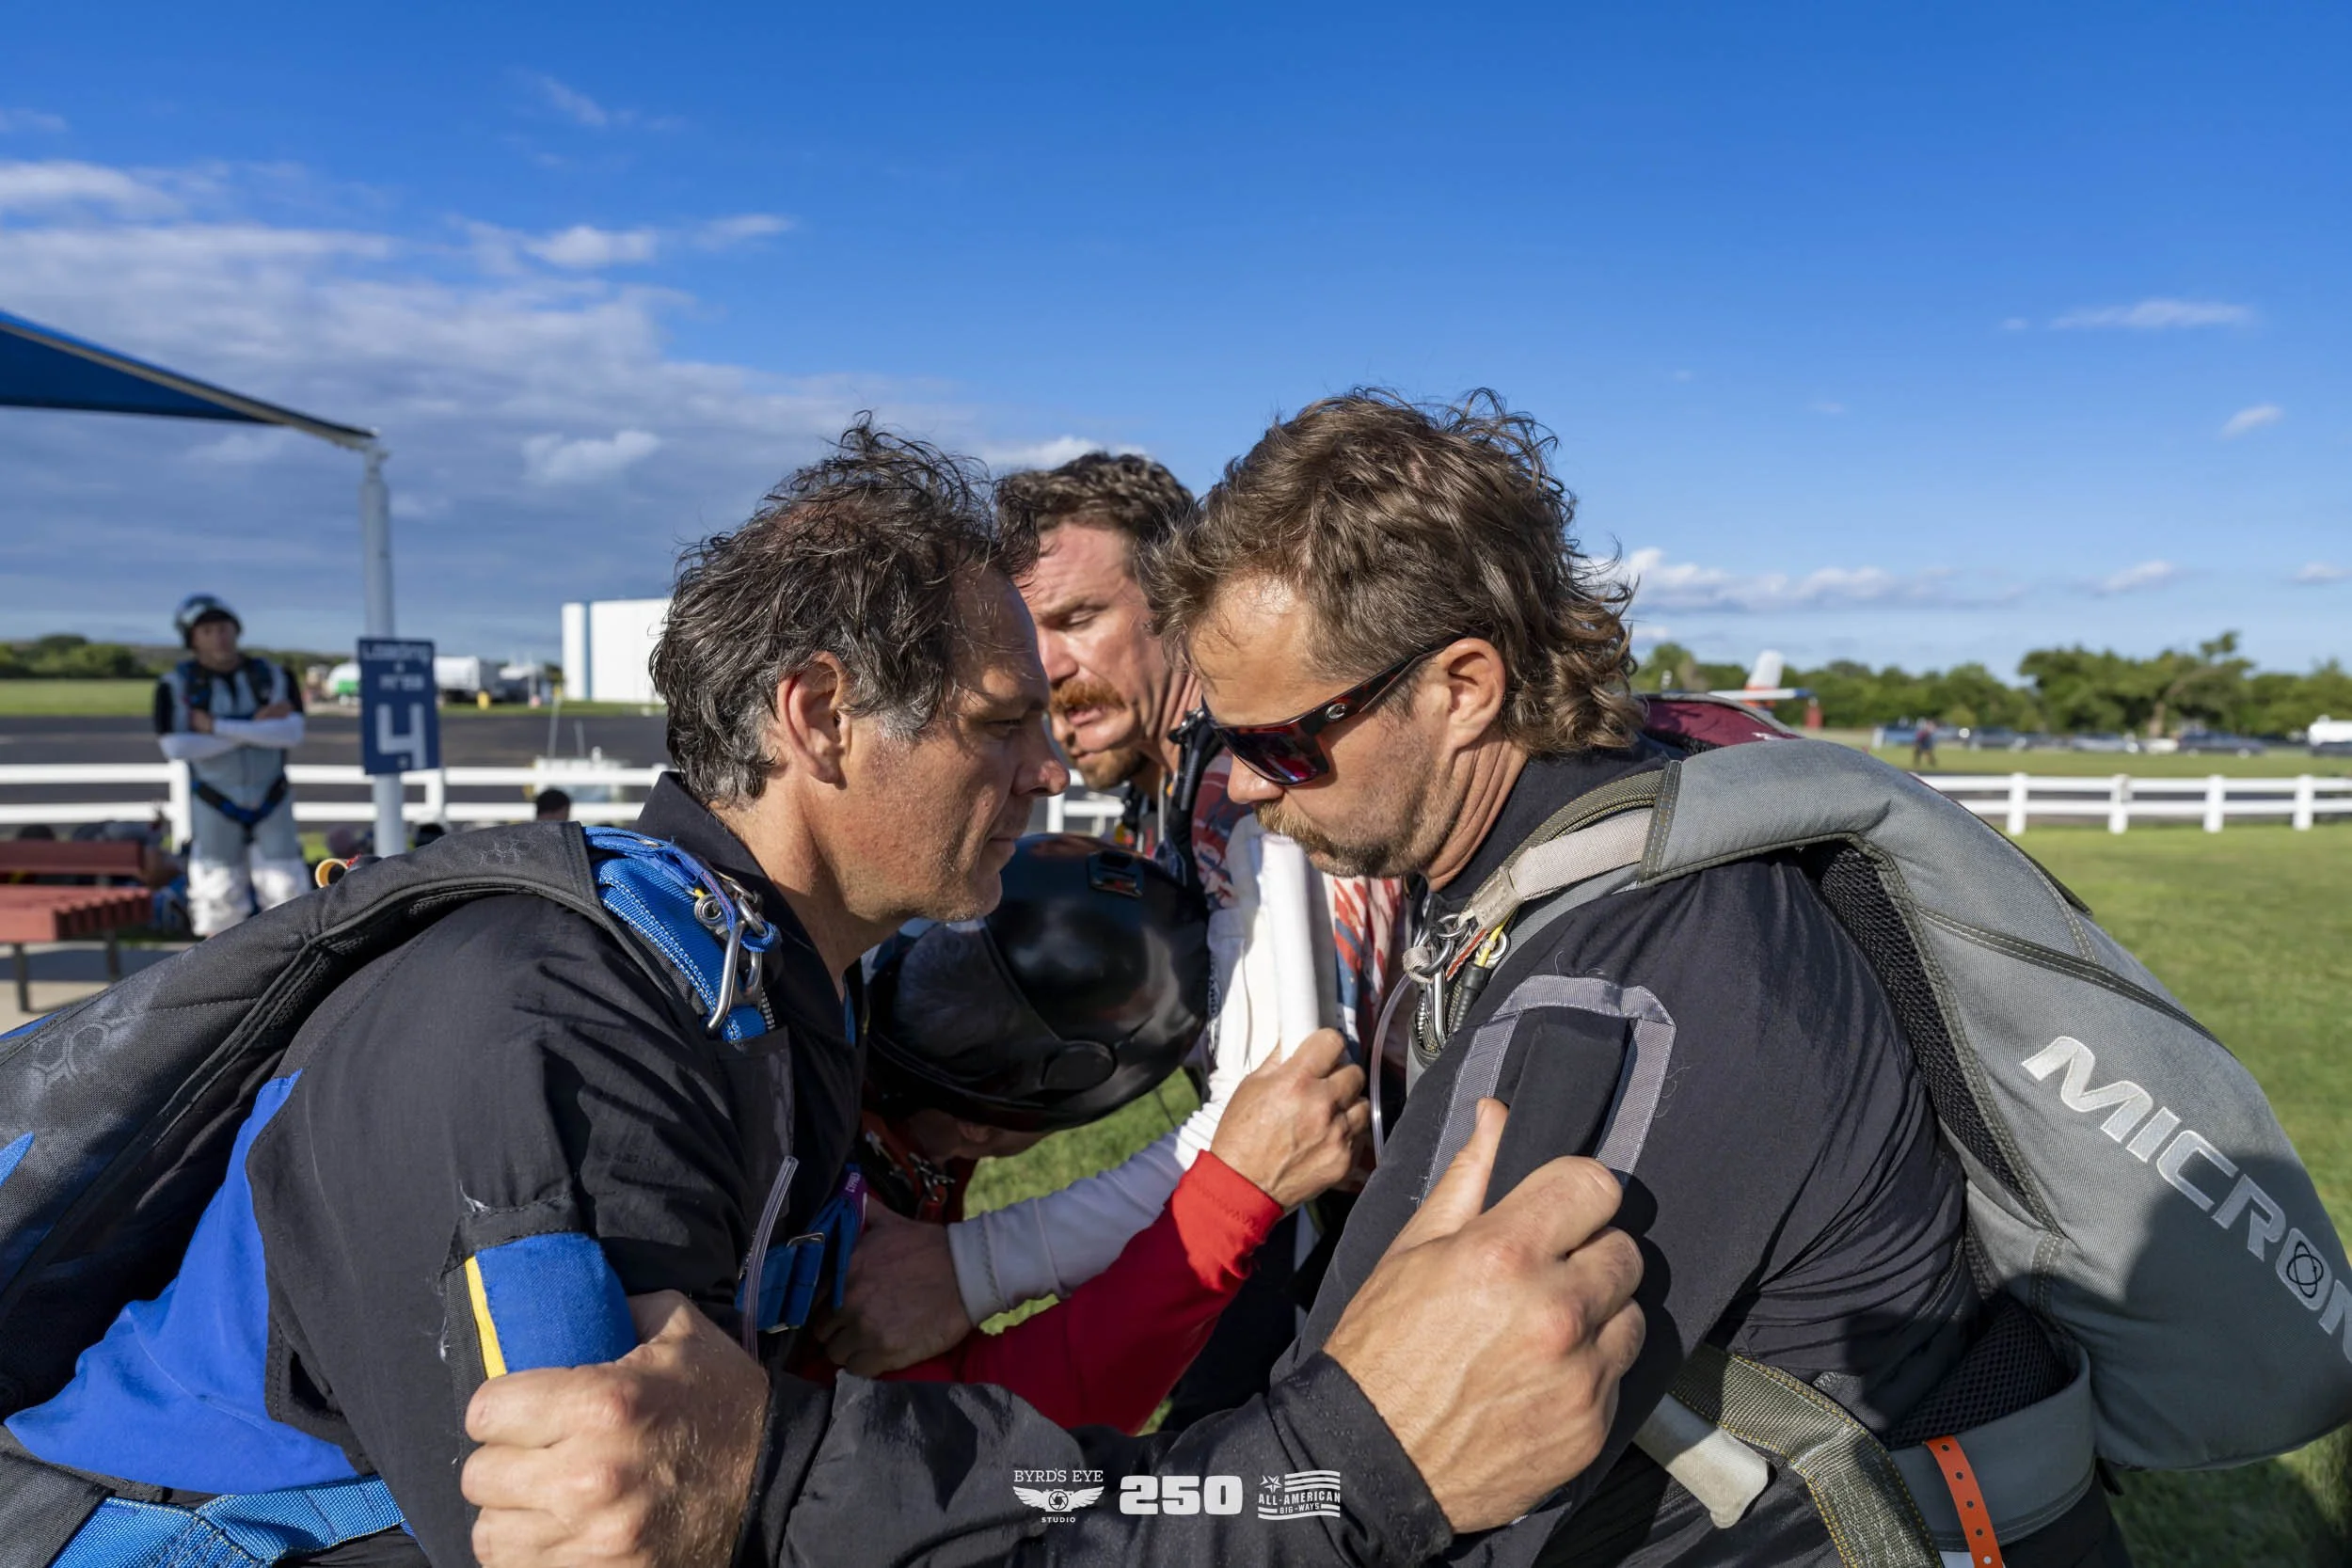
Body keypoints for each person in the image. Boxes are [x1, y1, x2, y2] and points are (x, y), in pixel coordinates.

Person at [9, 421, 1644, 1568]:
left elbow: (876, 1450)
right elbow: (700, 1523)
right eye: (1000, 721)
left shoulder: (767, 995)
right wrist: (1335, 1479)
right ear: (819, 716)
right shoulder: (566, 1039)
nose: (1043, 768)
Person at [1141, 389, 2127, 1564]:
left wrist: (1083, 1507)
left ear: (1463, 687)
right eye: (1222, 738)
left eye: (1283, 743)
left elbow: (1356, 1467)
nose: (1245, 784)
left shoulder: (1618, 978)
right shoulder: (1589, 837)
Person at [820, 451, 1411, 1433]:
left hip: (1388, 1225)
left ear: (1178, 603)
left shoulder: (1246, 782)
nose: (1043, 666)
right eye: (1021, 630)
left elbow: (1285, 1106)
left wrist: (970, 1269)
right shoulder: (1168, 789)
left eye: (1075, 617)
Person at [152, 594, 307, 936]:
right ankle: (222, 977)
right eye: (207, 630)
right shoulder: (176, 685)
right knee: (217, 894)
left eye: (224, 627)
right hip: (214, 800)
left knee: (287, 891)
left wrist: (218, 727)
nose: (218, 636)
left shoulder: (273, 677)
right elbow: (177, 745)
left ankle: (297, 965)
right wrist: (257, 727)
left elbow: (292, 732)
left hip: (271, 797)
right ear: (191, 638)